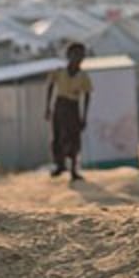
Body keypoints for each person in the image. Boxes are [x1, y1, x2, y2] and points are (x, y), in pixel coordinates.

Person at [45, 42, 92, 181]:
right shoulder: (59, 72)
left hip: (73, 107)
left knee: (74, 138)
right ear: (69, 56)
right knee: (58, 136)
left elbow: (87, 95)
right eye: (75, 55)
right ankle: (59, 165)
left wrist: (84, 117)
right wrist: (47, 107)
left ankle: (73, 170)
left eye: (81, 55)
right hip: (60, 105)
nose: (78, 58)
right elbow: (50, 86)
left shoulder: (83, 76)